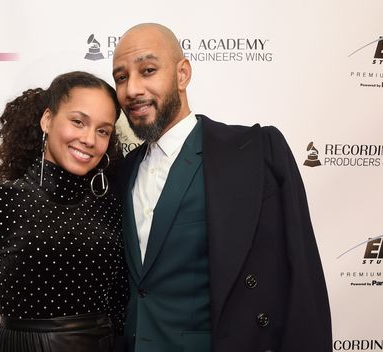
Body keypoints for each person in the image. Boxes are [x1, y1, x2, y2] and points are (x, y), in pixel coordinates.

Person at [111, 23, 332, 352]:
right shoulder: (121, 173)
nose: (132, 89)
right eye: (121, 77)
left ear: (182, 74)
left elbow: (301, 276)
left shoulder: (257, 151)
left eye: (148, 70)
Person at [0, 71, 128, 352]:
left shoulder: (112, 205)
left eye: (103, 130)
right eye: (78, 122)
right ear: (47, 120)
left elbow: (121, 310)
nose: (90, 139)